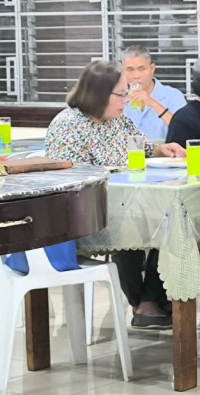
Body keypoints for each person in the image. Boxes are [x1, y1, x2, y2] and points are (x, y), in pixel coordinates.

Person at [45, 61, 185, 327]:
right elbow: (69, 182)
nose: (126, 99)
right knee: (140, 227)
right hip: (85, 217)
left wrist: (162, 149)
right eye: (121, 94)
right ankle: (148, 303)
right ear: (99, 95)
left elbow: (143, 148)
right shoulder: (69, 125)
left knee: (174, 220)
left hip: (123, 207)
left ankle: (148, 303)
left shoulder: (118, 121)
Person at [120, 45, 187, 141]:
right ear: (123, 71)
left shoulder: (173, 96)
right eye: (130, 70)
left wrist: (153, 103)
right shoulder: (117, 98)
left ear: (152, 69)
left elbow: (184, 130)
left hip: (165, 150)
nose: (136, 76)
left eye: (141, 69)